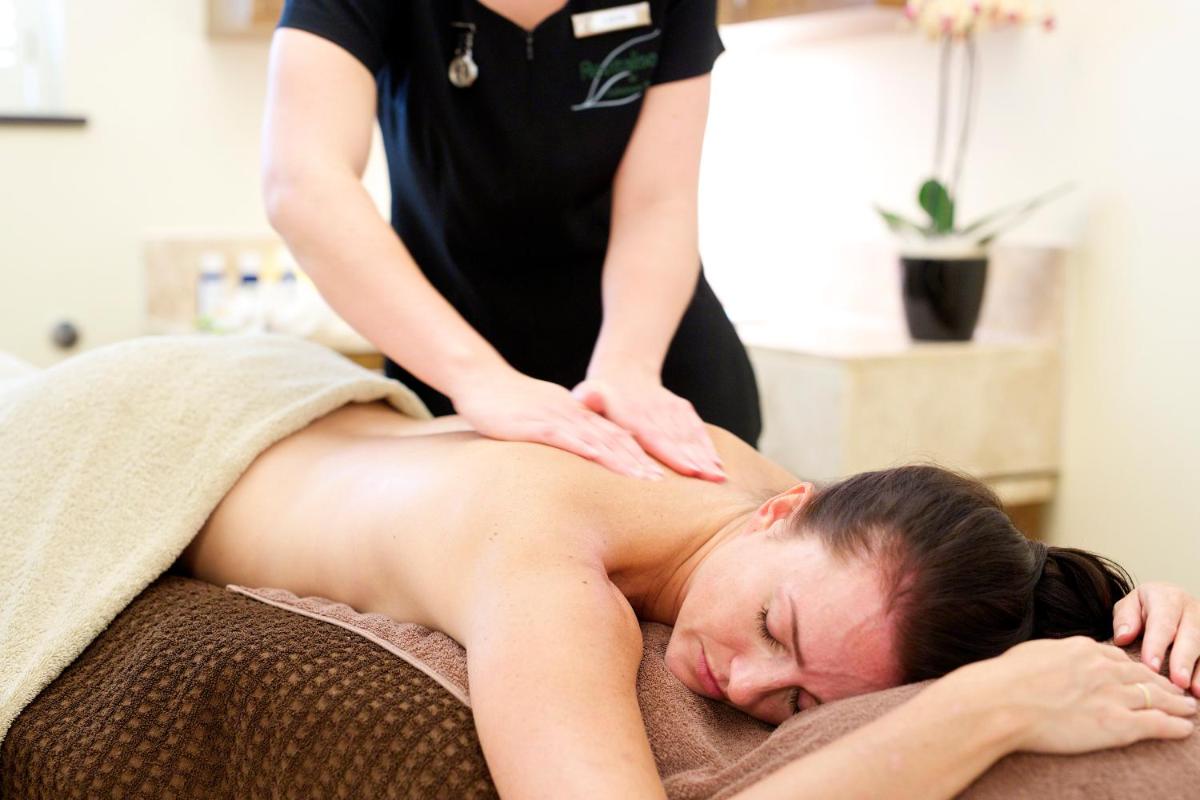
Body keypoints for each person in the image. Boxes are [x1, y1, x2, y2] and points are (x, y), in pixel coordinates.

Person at [180, 398, 1200, 799]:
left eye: (799, 703)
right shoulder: (552, 576)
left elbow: (949, 584)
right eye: (772, 628)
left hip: (346, 428)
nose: (745, 683)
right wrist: (985, 710)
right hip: (197, 423)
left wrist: (1135, 610)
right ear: (783, 508)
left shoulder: (743, 486)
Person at [262, 0, 761, 484]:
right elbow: (303, 184)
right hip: (451, 363)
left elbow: (658, 202)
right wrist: (478, 378)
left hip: (650, 364)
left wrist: (629, 369)